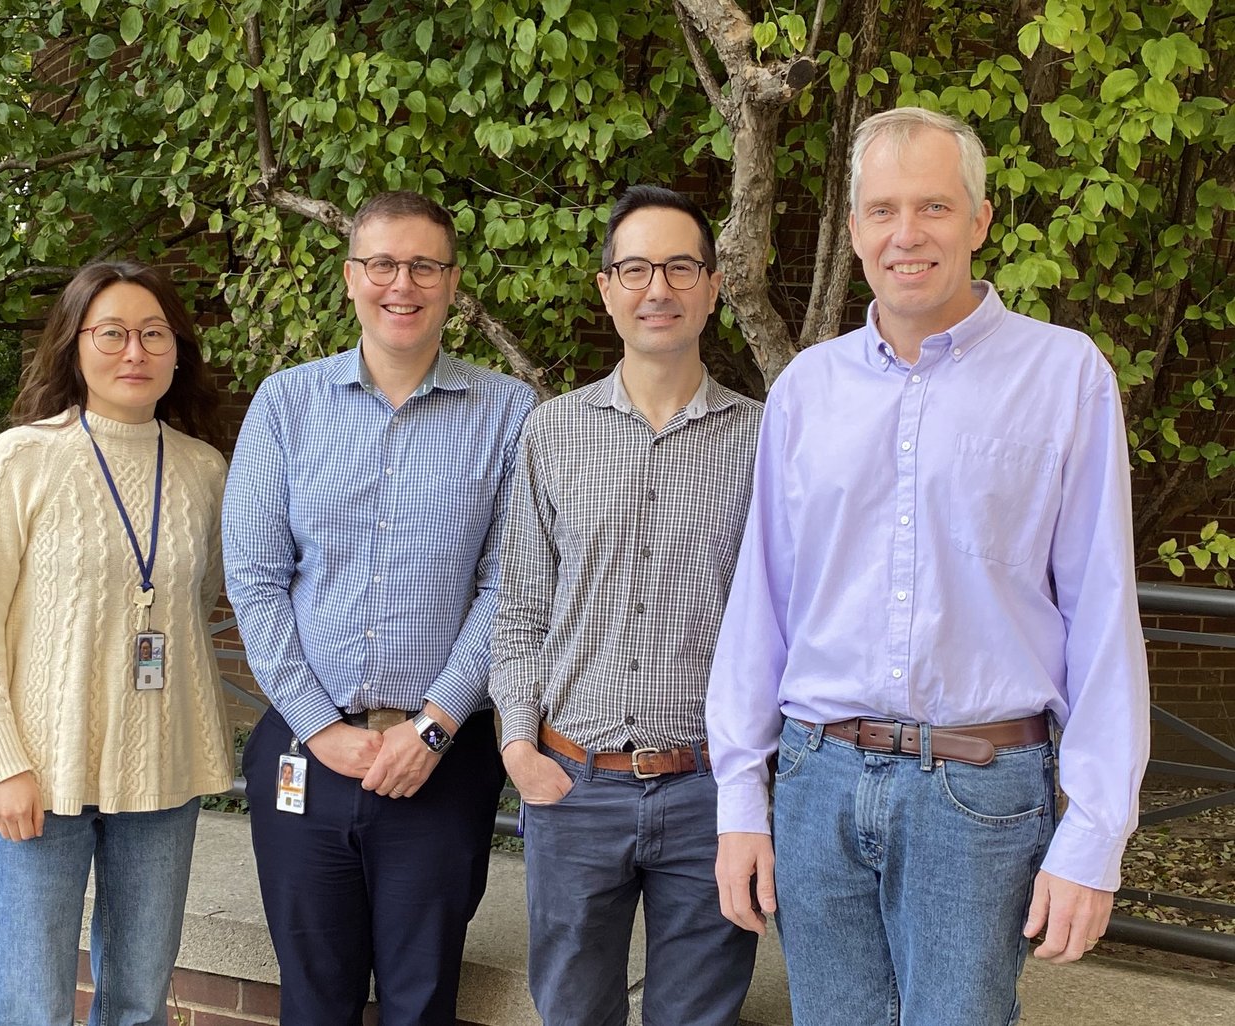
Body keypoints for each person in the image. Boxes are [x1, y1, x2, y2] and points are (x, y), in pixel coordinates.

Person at [707, 106, 1151, 1026]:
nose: (906, 234)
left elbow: (1105, 611)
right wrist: (740, 796)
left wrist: (1095, 830)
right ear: (858, 229)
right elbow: (765, 607)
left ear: (981, 221)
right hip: (818, 779)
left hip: (978, 791)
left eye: (934, 207)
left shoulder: (1066, 376)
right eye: (882, 211)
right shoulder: (806, 391)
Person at [222, 190, 536, 1026]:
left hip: (441, 761)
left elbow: (508, 584)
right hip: (305, 751)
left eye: (424, 265)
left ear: (452, 282)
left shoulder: (508, 412)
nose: (404, 283)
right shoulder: (285, 404)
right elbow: (253, 579)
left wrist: (432, 726)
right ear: (352, 277)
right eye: (383, 264)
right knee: (314, 1000)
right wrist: (321, 728)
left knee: (422, 1000)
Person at [491, 185, 763, 1026]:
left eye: (681, 267)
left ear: (714, 286)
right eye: (636, 268)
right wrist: (516, 742)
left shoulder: (767, 436)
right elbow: (520, 609)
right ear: (606, 288)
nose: (659, 289)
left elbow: (787, 622)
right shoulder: (551, 432)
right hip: (573, 783)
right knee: (572, 1013)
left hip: (711, 789)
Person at [0, 261, 233, 1024]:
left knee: (139, 1003)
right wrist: (4, 761)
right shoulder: (23, 457)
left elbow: (193, 602)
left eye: (153, 333)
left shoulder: (204, 470)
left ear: (178, 350)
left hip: (162, 773)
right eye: (111, 333)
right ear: (73, 345)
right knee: (29, 1006)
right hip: (37, 773)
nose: (134, 351)